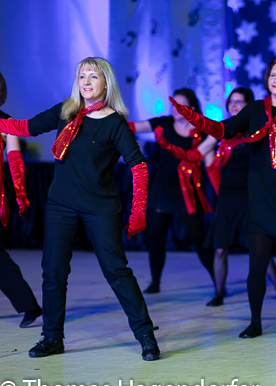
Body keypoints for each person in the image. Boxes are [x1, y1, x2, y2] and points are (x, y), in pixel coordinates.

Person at [171, 56, 276, 341]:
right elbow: (224, 130)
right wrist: (195, 118)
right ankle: (255, 322)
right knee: (257, 266)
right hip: (261, 200)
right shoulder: (254, 110)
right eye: (272, 75)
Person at [0, 58, 159, 360]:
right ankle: (51, 337)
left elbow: (138, 164)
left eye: (93, 77)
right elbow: (26, 127)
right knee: (53, 272)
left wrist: (138, 208)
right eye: (82, 76)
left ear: (106, 83)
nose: (86, 82)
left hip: (100, 207)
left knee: (117, 271)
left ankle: (146, 336)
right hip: (60, 205)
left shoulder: (115, 122)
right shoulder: (66, 110)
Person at [204, 87, 276, 307]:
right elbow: (207, 159)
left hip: (249, 196)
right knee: (220, 248)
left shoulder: (256, 130)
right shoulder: (223, 130)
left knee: (257, 248)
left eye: (239, 102)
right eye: (231, 101)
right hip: (226, 198)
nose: (234, 105)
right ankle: (219, 293)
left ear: (248, 106)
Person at [130, 89, 217, 294]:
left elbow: (211, 166)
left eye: (181, 105)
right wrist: (106, 118)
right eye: (173, 105)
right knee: (157, 239)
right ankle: (155, 282)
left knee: (198, 240)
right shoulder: (164, 123)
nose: (176, 109)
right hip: (163, 192)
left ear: (192, 108)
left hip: (189, 196)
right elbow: (134, 127)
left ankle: (218, 282)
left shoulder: (203, 131)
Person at [0, 71, 41, 328]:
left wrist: (20, 191)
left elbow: (15, 159)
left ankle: (28, 305)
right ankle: (28, 304)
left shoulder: (6, 122)